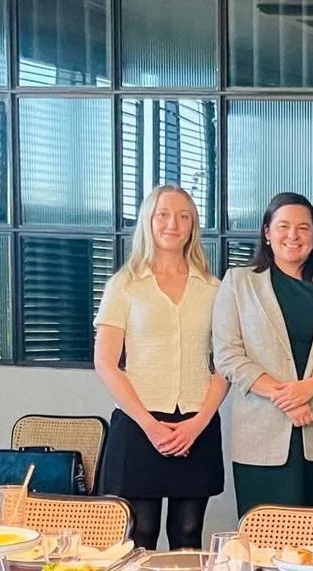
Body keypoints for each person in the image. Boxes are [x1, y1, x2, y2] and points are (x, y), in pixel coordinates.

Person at [213, 192, 313, 515]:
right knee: (264, 544)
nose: (293, 235)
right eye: (283, 226)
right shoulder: (239, 282)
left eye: (303, 227)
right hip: (261, 437)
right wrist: (284, 398)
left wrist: (307, 389)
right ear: (267, 232)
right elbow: (228, 355)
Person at [93, 185, 227, 550]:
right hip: (140, 424)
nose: (174, 223)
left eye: (184, 216)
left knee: (187, 534)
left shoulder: (214, 289)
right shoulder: (124, 285)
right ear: (149, 222)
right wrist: (151, 426)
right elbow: (106, 363)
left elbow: (225, 364)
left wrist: (197, 425)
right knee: (141, 535)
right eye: (164, 214)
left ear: (193, 226)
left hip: (195, 425)